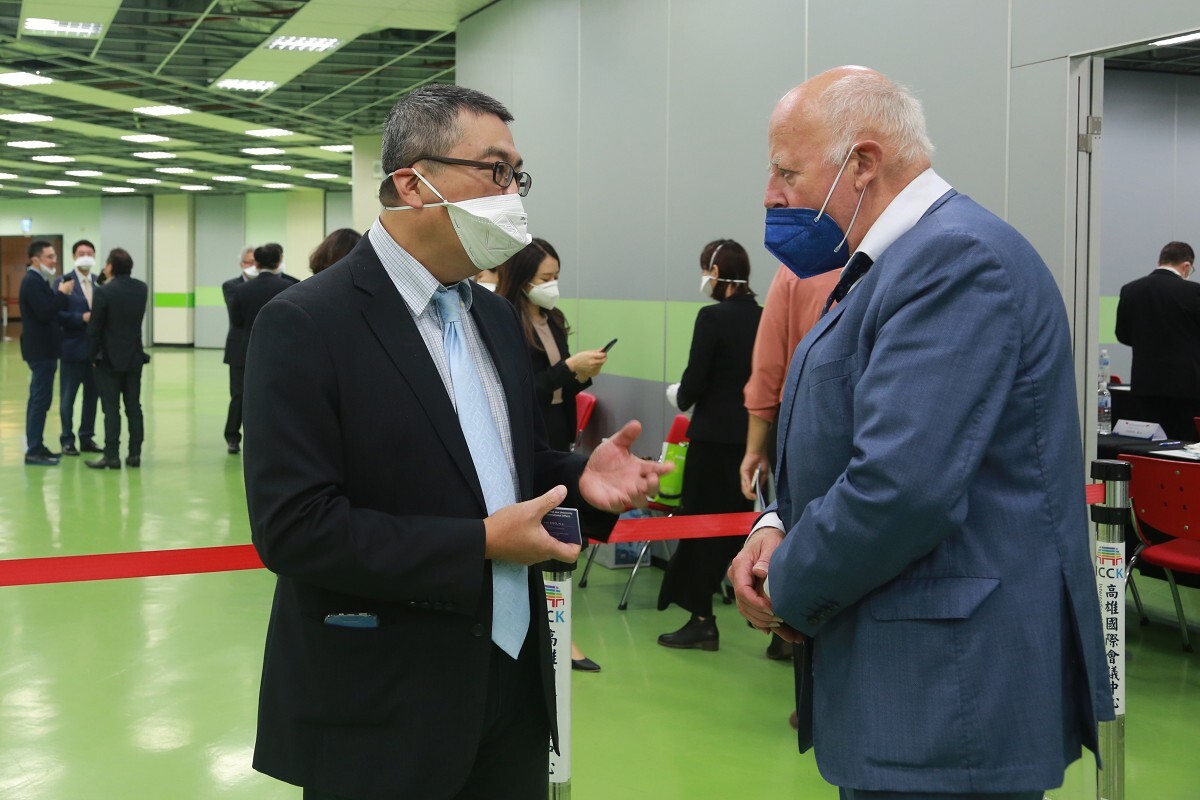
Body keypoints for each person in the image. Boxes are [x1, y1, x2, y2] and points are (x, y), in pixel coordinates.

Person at [242, 83, 669, 800]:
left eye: (518, 175)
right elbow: (295, 529)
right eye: (494, 171)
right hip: (384, 703)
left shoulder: (493, 319)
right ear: (413, 184)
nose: (513, 195)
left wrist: (580, 483)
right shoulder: (307, 324)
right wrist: (477, 542)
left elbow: (508, 468)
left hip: (510, 689)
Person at [729, 67, 1112, 799]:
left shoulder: (954, 260)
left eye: (786, 172)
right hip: (913, 691)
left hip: (948, 702)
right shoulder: (886, 266)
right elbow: (840, 437)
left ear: (863, 164)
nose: (772, 196)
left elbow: (901, 486)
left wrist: (786, 584)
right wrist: (776, 522)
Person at [496, 237, 608, 673]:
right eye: (546, 278)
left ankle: (557, 627)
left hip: (559, 435)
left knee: (560, 538)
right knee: (533, 536)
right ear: (524, 279)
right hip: (528, 437)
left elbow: (562, 389)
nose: (553, 285)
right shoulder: (505, 321)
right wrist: (566, 370)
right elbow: (524, 391)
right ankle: (539, 629)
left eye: (557, 277)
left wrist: (581, 374)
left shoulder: (553, 320)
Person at [656, 239, 761, 651]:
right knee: (747, 531)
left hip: (712, 441)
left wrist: (678, 396)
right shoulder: (766, 318)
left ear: (715, 273)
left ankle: (702, 619)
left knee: (701, 529)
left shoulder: (712, 317)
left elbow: (693, 385)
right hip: (752, 445)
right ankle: (775, 631)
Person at [739, 264, 841, 662]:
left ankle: (790, 629)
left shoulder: (796, 269)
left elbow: (769, 367)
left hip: (803, 419)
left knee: (796, 528)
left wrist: (754, 447)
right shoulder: (903, 255)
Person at [1114, 241, 1200, 440]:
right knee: (1184, 450)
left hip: (1145, 387)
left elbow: (1123, 335)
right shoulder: (1193, 292)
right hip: (1188, 390)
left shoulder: (1130, 290)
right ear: (1186, 266)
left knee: (1148, 448)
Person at [86, 249, 148, 470]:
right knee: (134, 406)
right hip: (133, 356)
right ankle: (135, 454)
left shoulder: (103, 292)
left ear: (110, 266)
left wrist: (92, 356)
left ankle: (111, 455)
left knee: (111, 409)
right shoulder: (142, 288)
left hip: (109, 358)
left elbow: (95, 328)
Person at [19, 240, 74, 466]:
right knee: (40, 400)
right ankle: (33, 450)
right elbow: (46, 312)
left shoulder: (39, 280)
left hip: (45, 350)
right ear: (35, 260)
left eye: (55, 256)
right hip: (40, 351)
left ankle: (37, 445)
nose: (54, 261)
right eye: (49, 257)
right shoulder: (32, 282)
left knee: (40, 400)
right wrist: (61, 294)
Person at [55, 239, 102, 457]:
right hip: (72, 350)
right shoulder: (63, 282)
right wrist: (80, 318)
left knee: (92, 398)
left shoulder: (98, 283)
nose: (85, 255)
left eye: (89, 252)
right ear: (74, 256)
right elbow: (57, 315)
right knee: (68, 398)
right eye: (81, 252)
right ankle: (67, 439)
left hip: (94, 352)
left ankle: (87, 437)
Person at [223, 246, 257, 455]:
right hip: (239, 347)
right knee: (238, 395)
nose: (252, 266)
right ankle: (232, 436)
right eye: (248, 262)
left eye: (255, 262)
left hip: (262, 344)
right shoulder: (231, 286)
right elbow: (236, 315)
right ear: (241, 264)